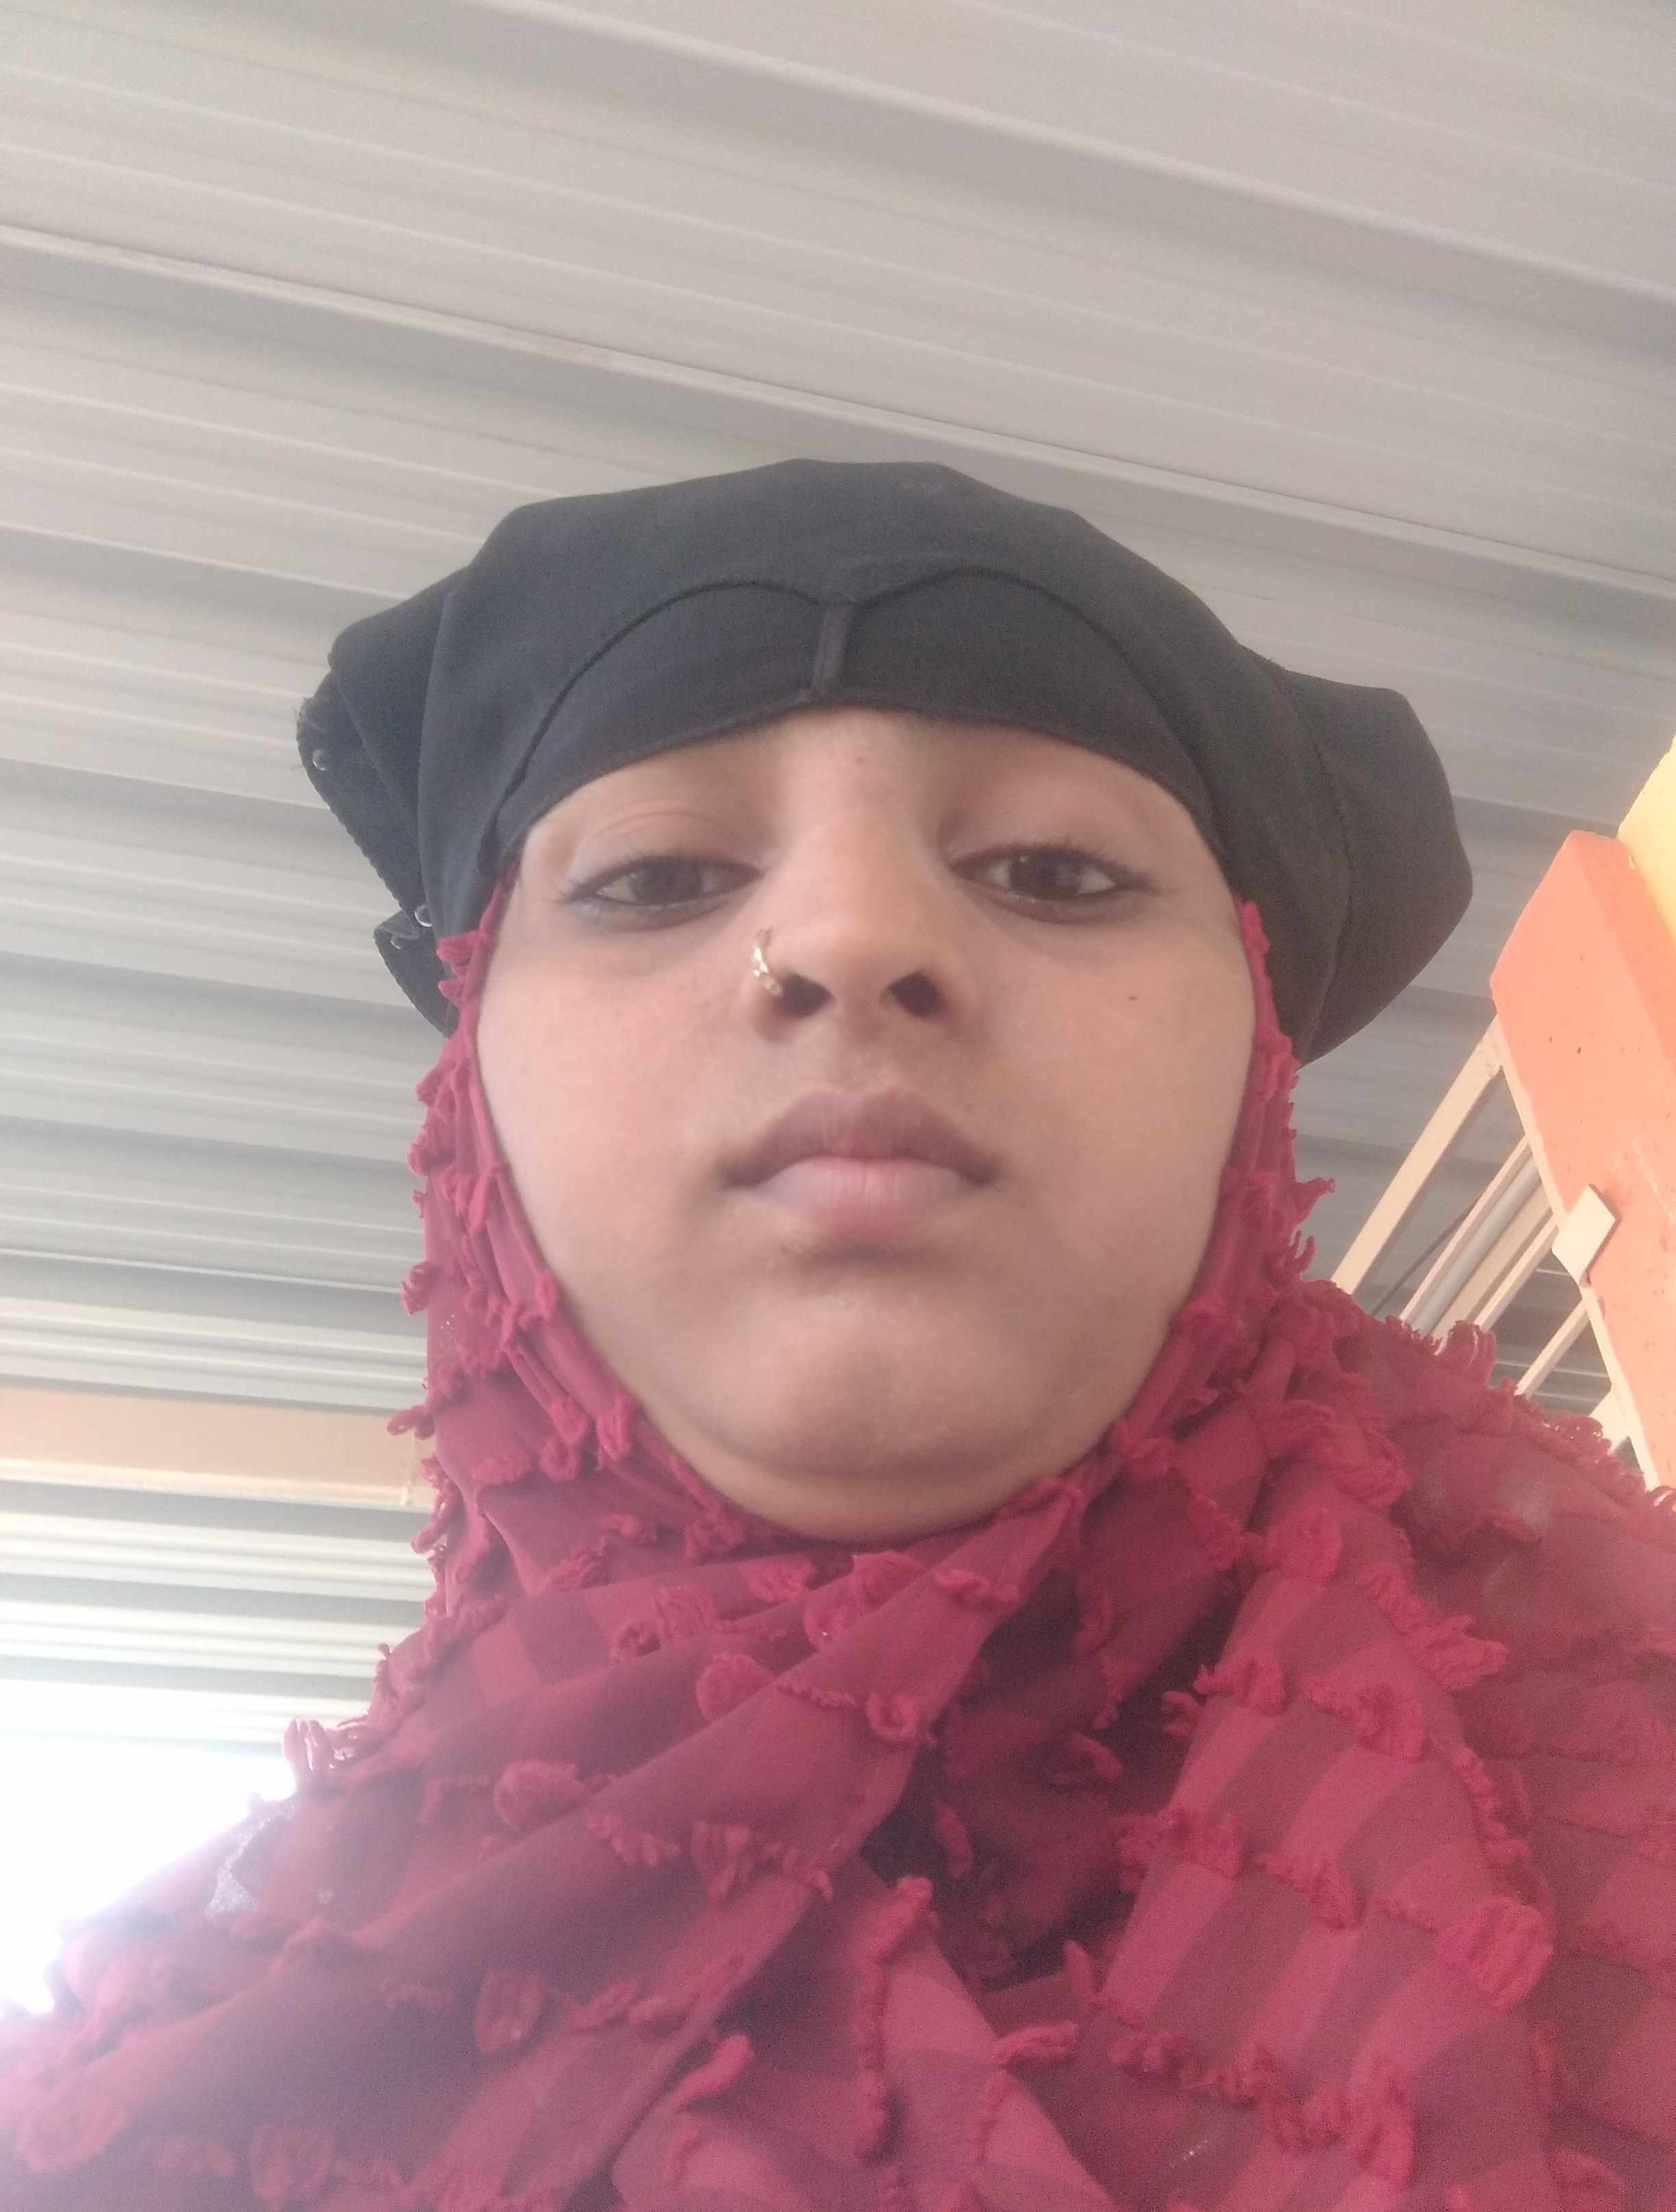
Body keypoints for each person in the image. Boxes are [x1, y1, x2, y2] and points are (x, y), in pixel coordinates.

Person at [2, 459, 1672, 2210]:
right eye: (656, 878)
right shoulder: (138, 2127)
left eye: (1056, 870)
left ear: (1254, 1072)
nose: (854, 937)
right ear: (468, 1102)